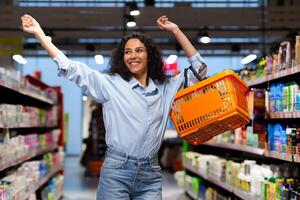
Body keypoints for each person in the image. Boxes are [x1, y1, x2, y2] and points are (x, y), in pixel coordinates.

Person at [21, 14, 207, 200]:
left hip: (150, 173)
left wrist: (175, 30)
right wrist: (40, 34)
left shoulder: (166, 87)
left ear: (149, 56)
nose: (133, 56)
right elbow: (70, 67)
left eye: (139, 50)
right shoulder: (110, 84)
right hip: (117, 172)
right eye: (127, 52)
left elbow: (200, 69)